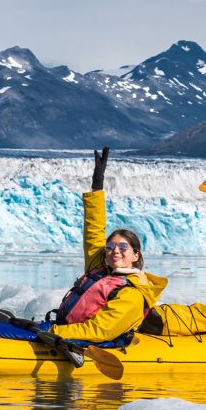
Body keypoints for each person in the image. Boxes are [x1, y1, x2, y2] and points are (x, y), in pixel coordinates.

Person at [49, 148, 167, 345]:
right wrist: (97, 185)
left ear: (136, 255)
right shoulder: (100, 268)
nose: (115, 251)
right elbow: (93, 231)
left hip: (79, 336)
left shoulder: (133, 293)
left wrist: (54, 330)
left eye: (123, 247)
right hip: (63, 331)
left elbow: (99, 330)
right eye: (111, 246)